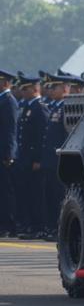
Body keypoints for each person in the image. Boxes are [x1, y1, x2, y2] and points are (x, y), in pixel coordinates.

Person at [14, 76, 48, 239]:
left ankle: (38, 226)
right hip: (25, 157)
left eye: (25, 89)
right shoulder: (28, 107)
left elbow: (42, 136)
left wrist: (38, 159)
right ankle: (30, 226)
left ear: (34, 89)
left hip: (33, 158)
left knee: (36, 194)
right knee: (27, 192)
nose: (23, 92)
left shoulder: (39, 108)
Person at [41, 75, 68, 240]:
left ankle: (58, 229)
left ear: (65, 88)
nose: (51, 91)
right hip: (50, 159)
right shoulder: (55, 107)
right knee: (50, 195)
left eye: (55, 87)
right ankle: (52, 227)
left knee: (59, 195)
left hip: (59, 159)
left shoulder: (66, 107)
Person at [0, 70, 18, 237]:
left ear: (5, 83)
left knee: (6, 191)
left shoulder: (8, 101)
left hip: (4, 154)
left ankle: (8, 225)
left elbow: (11, 130)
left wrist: (9, 154)